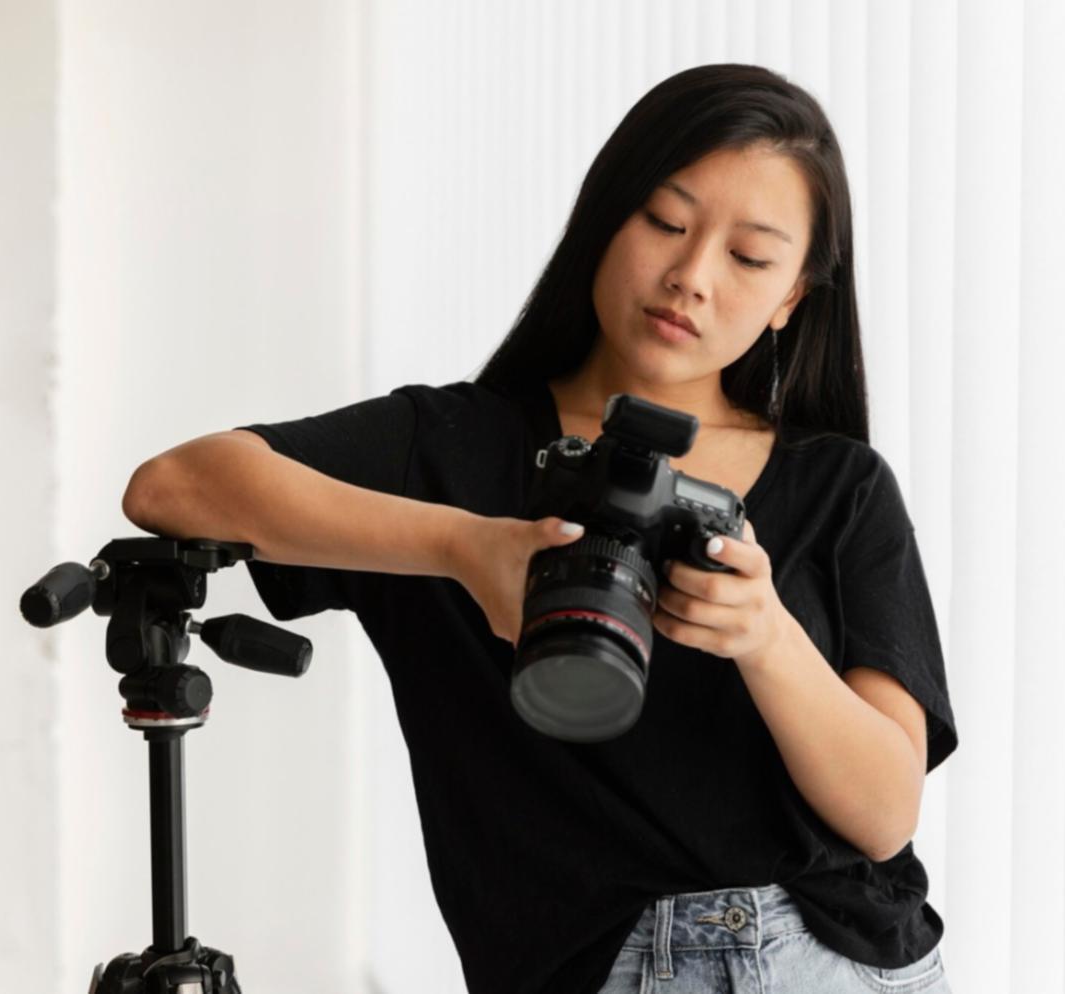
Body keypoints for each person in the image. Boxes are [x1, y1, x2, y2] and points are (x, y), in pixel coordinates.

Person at [123, 63, 957, 994]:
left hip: (837, 960)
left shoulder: (839, 485)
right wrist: (464, 548)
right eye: (666, 224)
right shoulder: (458, 451)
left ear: (792, 297)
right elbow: (176, 487)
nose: (691, 277)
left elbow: (886, 813)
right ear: (606, 216)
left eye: (750, 259)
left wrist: (765, 638)